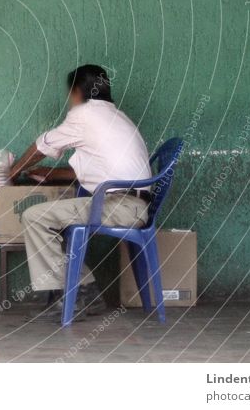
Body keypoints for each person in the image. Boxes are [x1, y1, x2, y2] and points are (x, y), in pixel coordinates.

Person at [8, 64, 152, 323]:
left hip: (119, 205)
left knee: (34, 217)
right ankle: (88, 291)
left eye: (69, 93)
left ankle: (72, 295)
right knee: (59, 222)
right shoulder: (116, 116)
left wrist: (13, 170)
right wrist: (50, 174)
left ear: (76, 92)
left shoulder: (84, 114)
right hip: (133, 205)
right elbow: (99, 169)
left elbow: (43, 145)